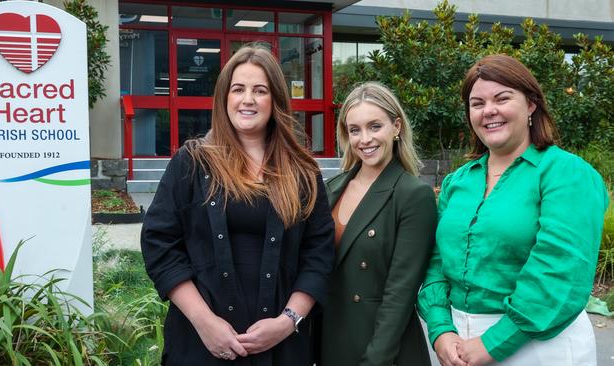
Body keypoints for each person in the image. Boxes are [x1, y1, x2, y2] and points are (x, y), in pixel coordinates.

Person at [140, 45, 335, 366]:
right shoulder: (192, 162)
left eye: (260, 90)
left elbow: (319, 255)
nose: (248, 99)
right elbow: (160, 244)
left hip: (281, 349)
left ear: (275, 101)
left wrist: (287, 322)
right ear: (224, 98)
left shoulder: (302, 172)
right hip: (199, 346)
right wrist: (205, 322)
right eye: (238, 89)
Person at [417, 54, 610, 366]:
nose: (488, 110)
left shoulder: (566, 173)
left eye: (502, 98)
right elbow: (437, 261)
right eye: (477, 103)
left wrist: (493, 343)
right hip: (458, 348)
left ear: (531, 104)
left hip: (540, 346)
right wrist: (440, 330)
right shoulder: (459, 181)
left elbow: (559, 271)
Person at [320, 82, 437, 366]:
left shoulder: (413, 195)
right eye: (355, 130)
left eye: (375, 126)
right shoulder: (329, 188)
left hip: (384, 349)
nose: (364, 139)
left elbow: (400, 293)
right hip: (329, 342)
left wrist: (375, 359)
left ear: (396, 127)